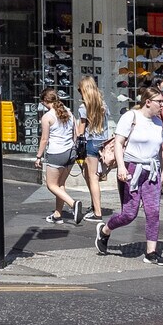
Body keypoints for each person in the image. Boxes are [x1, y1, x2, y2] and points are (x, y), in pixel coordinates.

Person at [95, 85, 163, 265]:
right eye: (160, 102)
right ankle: (105, 230)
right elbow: (119, 143)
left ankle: (151, 253)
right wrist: (121, 167)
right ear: (148, 102)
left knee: (153, 212)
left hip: (151, 170)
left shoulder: (158, 123)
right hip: (131, 169)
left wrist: (162, 173)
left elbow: (160, 150)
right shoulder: (131, 117)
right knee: (129, 214)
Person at [34, 90, 81, 223]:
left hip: (56, 153)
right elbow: (76, 133)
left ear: (44, 101)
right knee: (60, 184)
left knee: (51, 185)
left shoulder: (47, 117)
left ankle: (73, 204)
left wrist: (38, 156)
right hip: (71, 152)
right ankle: (57, 214)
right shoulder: (68, 112)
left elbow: (44, 139)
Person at [75, 76, 110, 221]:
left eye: (80, 90)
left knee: (92, 178)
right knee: (90, 175)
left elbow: (81, 130)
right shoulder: (103, 104)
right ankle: (94, 205)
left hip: (90, 142)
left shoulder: (84, 107)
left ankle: (97, 212)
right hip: (102, 141)